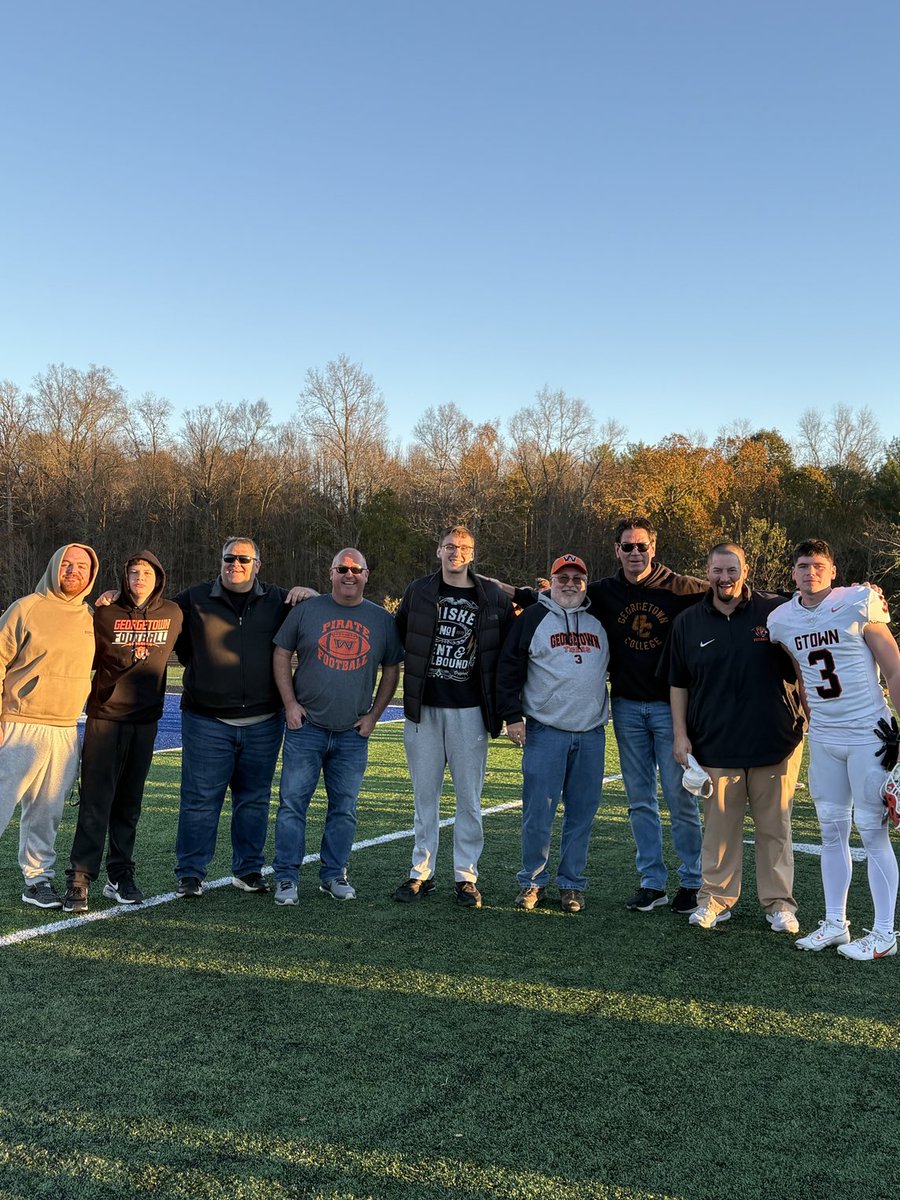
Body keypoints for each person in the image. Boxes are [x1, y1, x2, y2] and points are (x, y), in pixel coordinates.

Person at [496, 517, 705, 914]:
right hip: (614, 710)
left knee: (679, 797)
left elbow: (726, 588)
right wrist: (512, 715)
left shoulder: (671, 589)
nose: (635, 553)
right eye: (627, 546)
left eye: (641, 546)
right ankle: (649, 883)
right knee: (636, 800)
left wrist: (794, 595)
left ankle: (691, 881)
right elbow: (517, 650)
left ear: (653, 548)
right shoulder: (596, 597)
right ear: (616, 550)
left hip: (659, 710)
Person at [768, 538, 900, 961]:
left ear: (833, 570)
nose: (811, 572)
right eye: (803, 565)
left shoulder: (859, 601)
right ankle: (834, 923)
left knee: (873, 832)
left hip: (868, 733)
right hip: (824, 735)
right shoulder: (782, 619)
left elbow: (894, 666)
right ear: (793, 572)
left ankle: (884, 932)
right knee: (831, 831)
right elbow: (803, 676)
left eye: (819, 565)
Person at [666, 543, 804, 932]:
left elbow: (811, 639)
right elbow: (678, 684)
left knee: (775, 829)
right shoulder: (689, 622)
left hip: (775, 742)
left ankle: (779, 904)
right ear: (706, 571)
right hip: (715, 742)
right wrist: (680, 735)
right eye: (717, 571)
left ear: (745, 570)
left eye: (732, 570)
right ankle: (715, 900)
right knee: (720, 832)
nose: (724, 578)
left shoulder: (776, 611)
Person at [392, 525, 515, 908]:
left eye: (463, 547)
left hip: (471, 712)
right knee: (424, 797)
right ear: (438, 551)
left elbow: (510, 648)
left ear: (473, 554)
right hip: (424, 710)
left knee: (469, 800)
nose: (455, 553)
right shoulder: (419, 591)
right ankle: (421, 872)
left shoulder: (491, 595)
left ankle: (466, 876)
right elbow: (396, 635)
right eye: (449, 546)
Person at [271, 548, 403, 905]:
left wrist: (374, 715)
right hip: (306, 727)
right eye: (342, 568)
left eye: (356, 569)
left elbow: (392, 668)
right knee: (292, 805)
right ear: (330, 573)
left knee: (343, 808)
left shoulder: (380, 619)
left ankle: (333, 874)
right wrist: (290, 705)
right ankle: (286, 877)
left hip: (351, 733)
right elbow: (281, 653)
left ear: (366, 574)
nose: (349, 575)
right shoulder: (307, 611)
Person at [172, 537, 293, 900]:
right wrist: (116, 596)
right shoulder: (194, 599)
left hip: (264, 721)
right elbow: (151, 611)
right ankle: (191, 874)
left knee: (254, 800)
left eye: (243, 559)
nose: (235, 564)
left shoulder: (280, 600)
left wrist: (309, 590)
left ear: (258, 564)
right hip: (206, 720)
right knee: (199, 800)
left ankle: (248, 870)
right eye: (229, 557)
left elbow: (320, 614)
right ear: (220, 560)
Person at [62, 551, 183, 913]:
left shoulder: (173, 613)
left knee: (129, 804)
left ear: (158, 577)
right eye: (133, 573)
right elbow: (84, 652)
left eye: (146, 572)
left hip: (145, 721)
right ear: (125, 577)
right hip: (105, 717)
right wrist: (100, 600)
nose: (139, 579)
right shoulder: (105, 612)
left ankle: (120, 875)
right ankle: (80, 878)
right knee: (96, 802)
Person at [497, 554, 610, 913]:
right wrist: (512, 716)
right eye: (563, 578)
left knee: (582, 812)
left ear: (585, 583)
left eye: (578, 578)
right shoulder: (532, 617)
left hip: (591, 732)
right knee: (538, 811)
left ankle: (572, 884)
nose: (570, 584)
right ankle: (532, 881)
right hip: (546, 730)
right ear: (551, 580)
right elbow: (509, 667)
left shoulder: (599, 619)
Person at [0, 544, 99, 907]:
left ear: (91, 574)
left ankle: (37, 880)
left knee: (47, 810)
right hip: (18, 725)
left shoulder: (90, 617)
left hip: (64, 728)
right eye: (67, 565)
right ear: (54, 566)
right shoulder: (26, 608)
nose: (73, 571)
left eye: (82, 567)